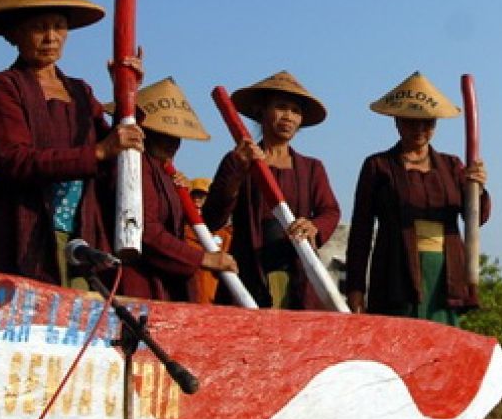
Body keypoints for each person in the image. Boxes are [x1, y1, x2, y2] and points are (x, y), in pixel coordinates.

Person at [0, 0, 143, 287]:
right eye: (39, 28)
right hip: (20, 228)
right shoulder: (5, 86)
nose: (51, 37)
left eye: (59, 26)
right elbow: (14, 159)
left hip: (79, 230)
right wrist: (98, 152)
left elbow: (112, 154)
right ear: (13, 34)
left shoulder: (80, 90)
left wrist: (126, 96)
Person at [345, 71, 490, 324]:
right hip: (396, 272)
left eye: (427, 122)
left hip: (444, 273)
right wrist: (356, 287)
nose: (420, 129)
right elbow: (361, 230)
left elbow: (477, 217)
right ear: (397, 121)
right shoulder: (378, 166)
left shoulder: (452, 165)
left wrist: (477, 188)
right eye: (411, 121)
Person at [202, 71, 339, 309]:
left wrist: (313, 226)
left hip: (298, 271)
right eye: (281, 107)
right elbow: (212, 218)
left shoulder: (311, 168)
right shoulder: (238, 159)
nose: (288, 116)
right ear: (261, 111)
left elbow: (330, 210)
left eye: (295, 111)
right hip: (250, 270)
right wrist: (237, 170)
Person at [111, 77, 236, 301]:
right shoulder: (133, 165)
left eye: (175, 136)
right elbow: (145, 230)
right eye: (163, 134)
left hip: (169, 284)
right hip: (135, 282)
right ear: (143, 132)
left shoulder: (164, 173)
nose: (172, 143)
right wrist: (202, 259)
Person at [183, 176, 232, 304]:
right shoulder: (180, 232)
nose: (197, 201)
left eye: (203, 197)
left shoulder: (226, 234)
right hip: (188, 302)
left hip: (217, 304)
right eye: (194, 196)